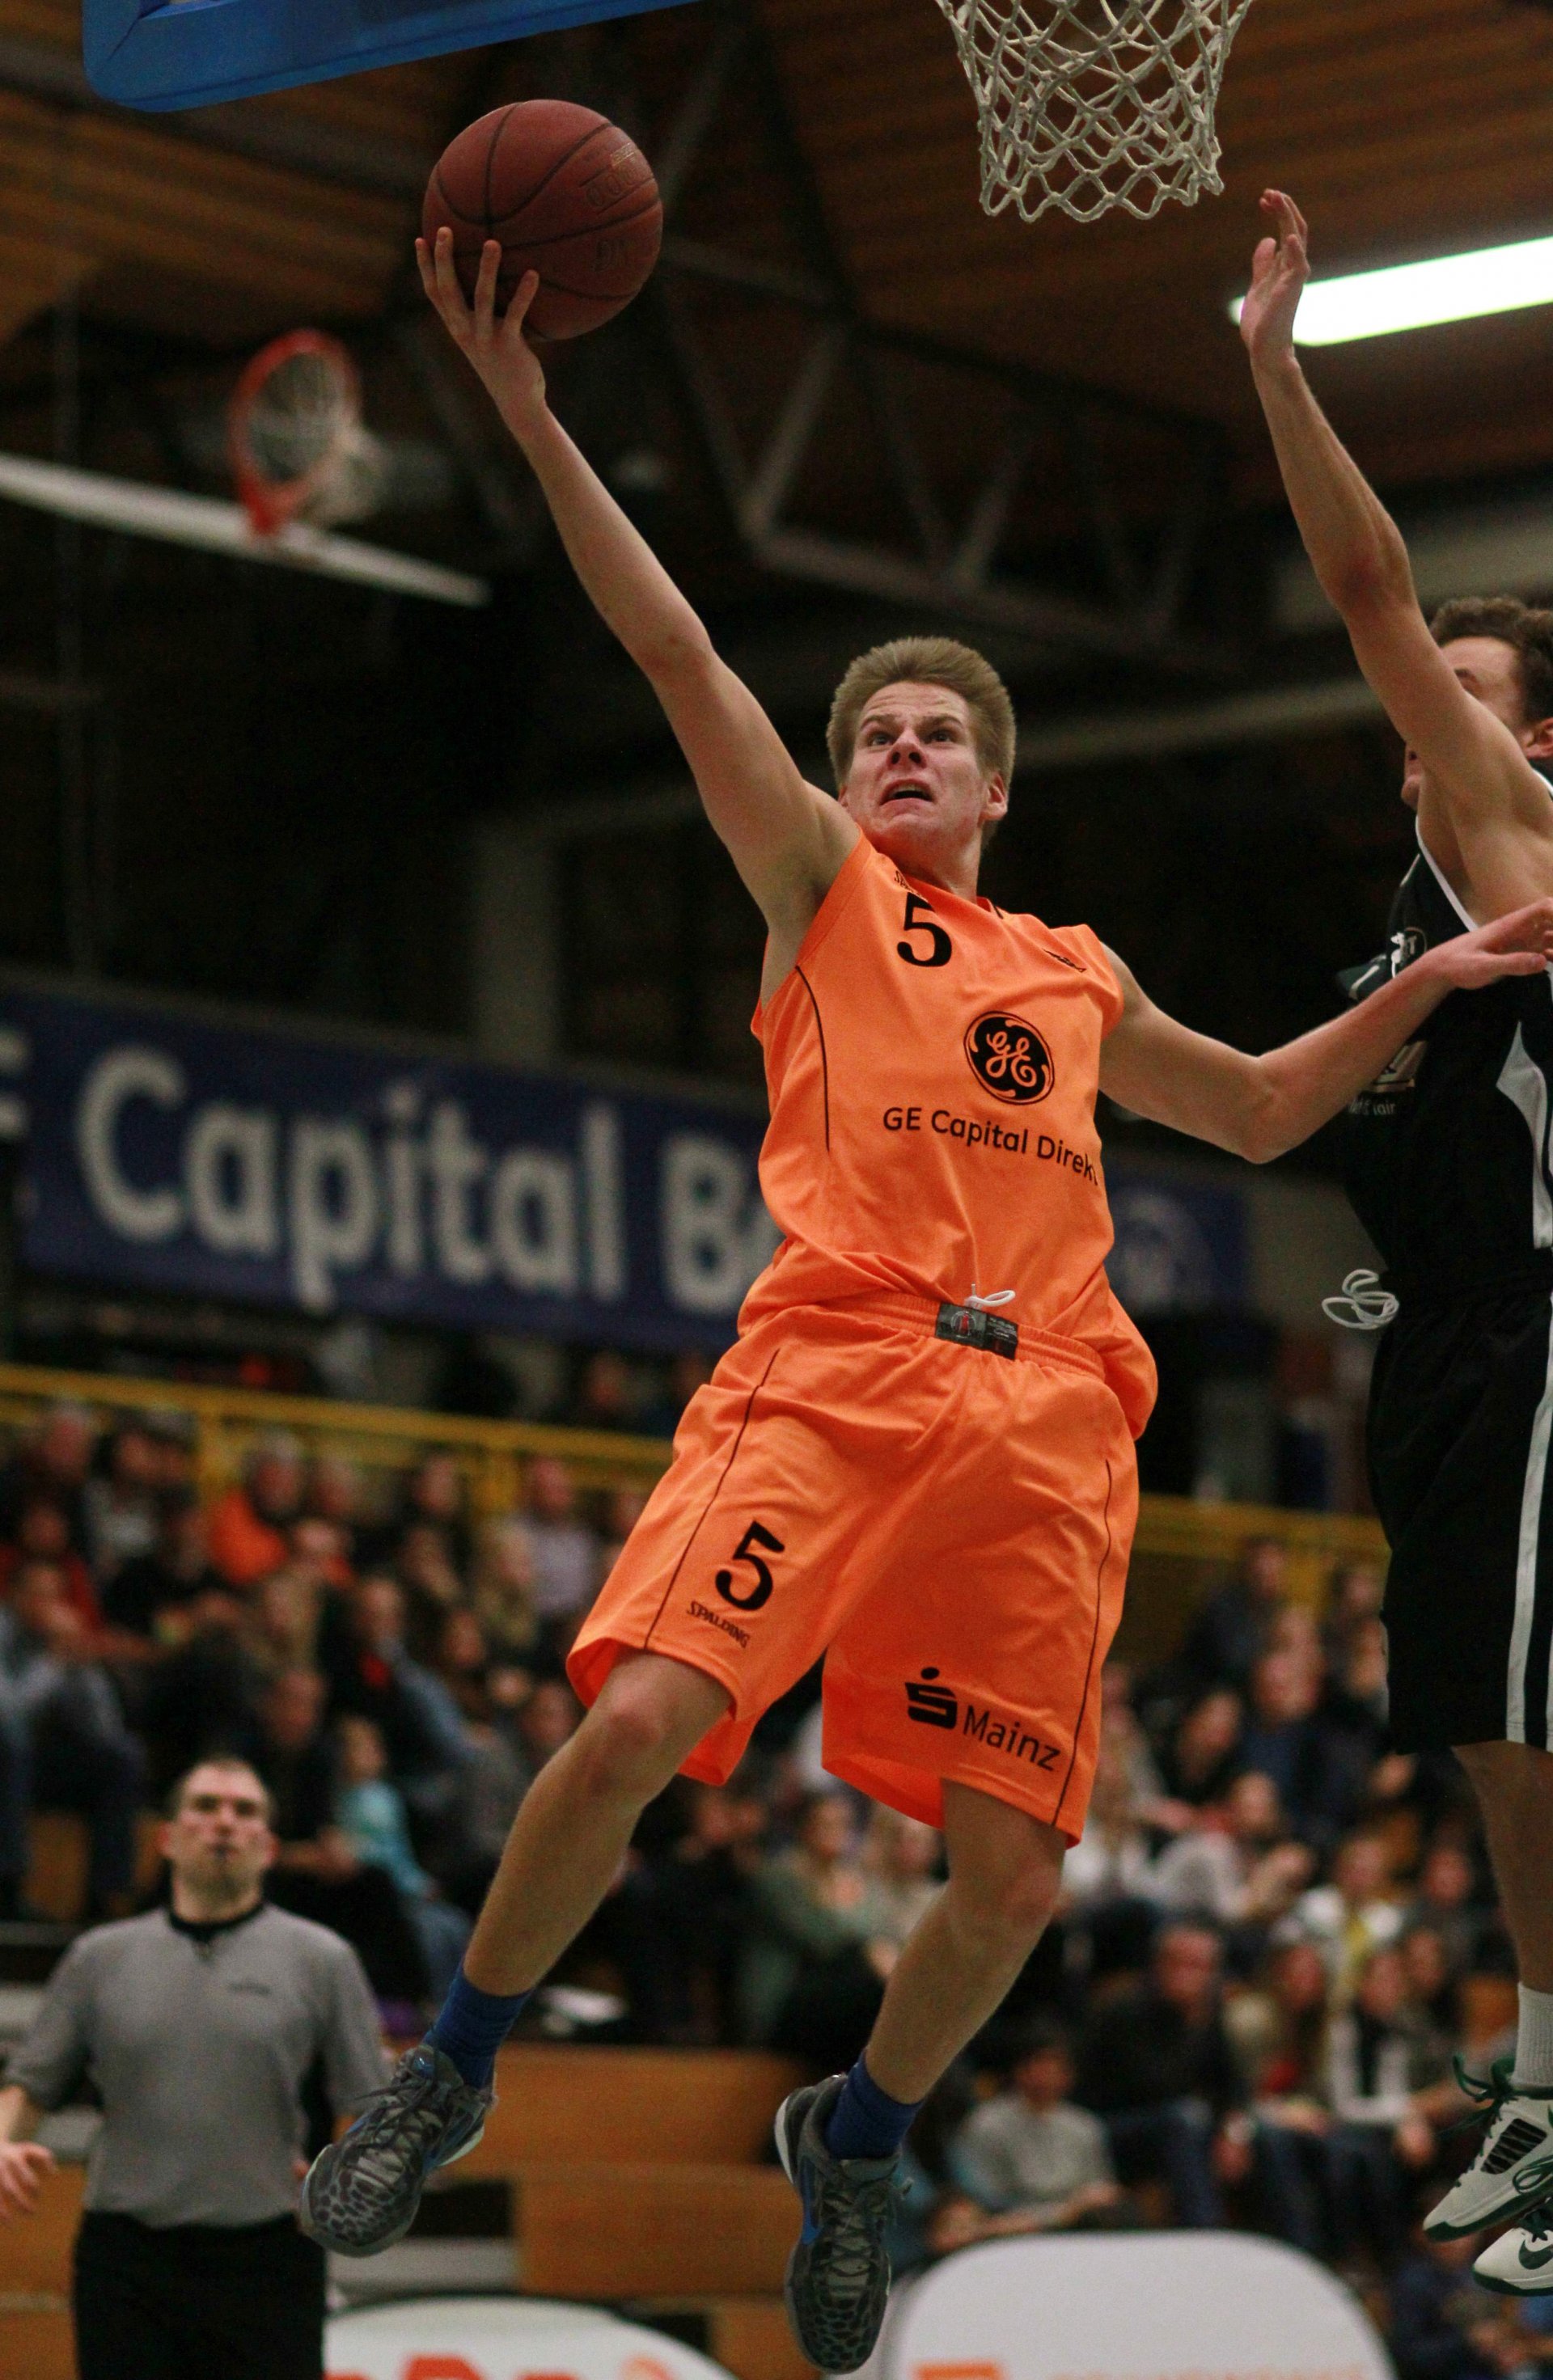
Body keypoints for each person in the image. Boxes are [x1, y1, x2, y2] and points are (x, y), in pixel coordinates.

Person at [299, 226, 1553, 2374]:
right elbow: (681, 645)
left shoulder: (1067, 966)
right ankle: (460, 2050)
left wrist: (1432, 986)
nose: (895, 750)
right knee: (628, 1727)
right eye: (869, 728)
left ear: (991, 785)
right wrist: (525, 415)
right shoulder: (815, 889)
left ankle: (862, 2132)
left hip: (1056, 1415)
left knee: (1009, 1881)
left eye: (931, 734)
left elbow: (1254, 1113)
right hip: (842, 1357)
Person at [1242, 188, 1553, 2291]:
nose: (1416, 702)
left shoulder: (1520, 829)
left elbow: (1359, 582)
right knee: (1477, 1705)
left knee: (1533, 1699)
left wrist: (1277, 365)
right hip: (1436, 1345)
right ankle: (1543, 2060)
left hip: (1544, 1322)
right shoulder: (1408, 931)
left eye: (1461, 683)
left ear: (1529, 733)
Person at [0, 1756, 383, 2380]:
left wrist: (340, 2174)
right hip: (128, 2261)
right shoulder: (98, 1957)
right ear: (167, 1837)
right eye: (205, 1806)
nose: (224, 1822)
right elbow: (31, 2082)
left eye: (245, 1810)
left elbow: (370, 2103)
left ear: (268, 1845)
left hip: (268, 2258)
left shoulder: (323, 1958)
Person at [950, 2022, 1121, 2235]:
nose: (1046, 2075)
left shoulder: (1085, 2126)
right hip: (1011, 2230)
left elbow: (1101, 2188)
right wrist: (1059, 2214)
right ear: (1019, 2069)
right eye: (1038, 2064)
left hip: (1080, 2228)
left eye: (1055, 2065)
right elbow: (984, 2200)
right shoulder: (986, 2124)